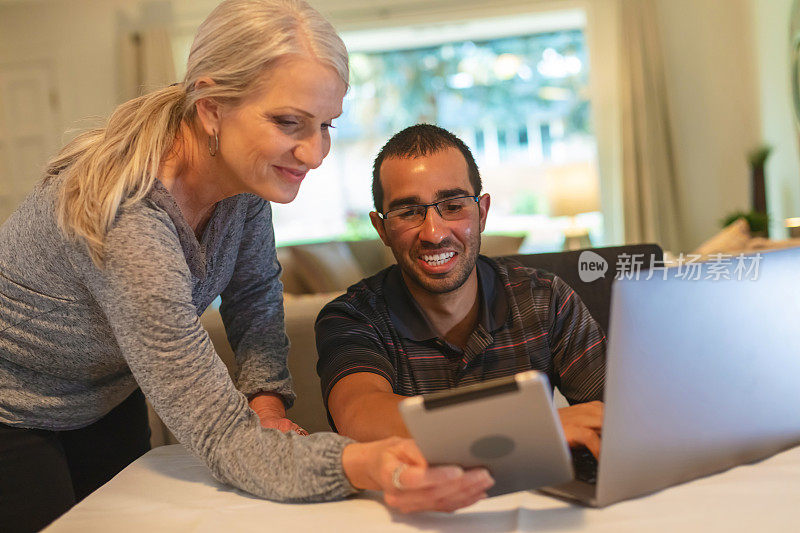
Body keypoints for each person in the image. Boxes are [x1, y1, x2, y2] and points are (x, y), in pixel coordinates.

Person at [0, 3, 493, 531]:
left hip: (108, 394)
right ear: (212, 108)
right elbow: (220, 435)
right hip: (13, 412)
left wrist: (267, 401)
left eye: (326, 125)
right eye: (288, 122)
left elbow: (254, 296)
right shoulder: (130, 221)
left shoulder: (243, 179)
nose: (314, 153)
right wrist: (365, 464)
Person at [316, 124, 606, 455]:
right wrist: (534, 424)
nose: (434, 233)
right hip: (418, 504)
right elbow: (360, 417)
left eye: (453, 206)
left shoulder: (544, 299)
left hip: (540, 497)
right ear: (381, 228)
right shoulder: (353, 316)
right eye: (409, 211)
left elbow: (615, 414)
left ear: (482, 212)